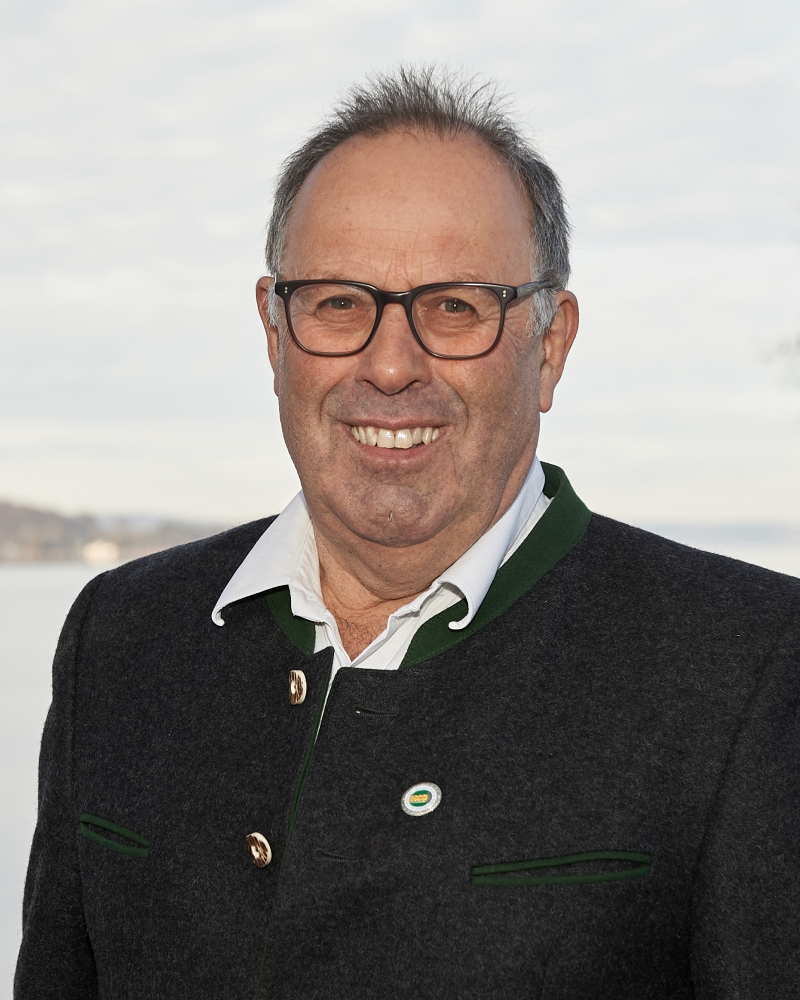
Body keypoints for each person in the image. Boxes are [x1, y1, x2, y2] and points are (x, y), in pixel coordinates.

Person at [15, 66, 800, 1000]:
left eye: (455, 306)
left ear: (550, 346)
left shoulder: (746, 665)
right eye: (339, 302)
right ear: (274, 332)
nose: (391, 365)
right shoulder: (121, 638)